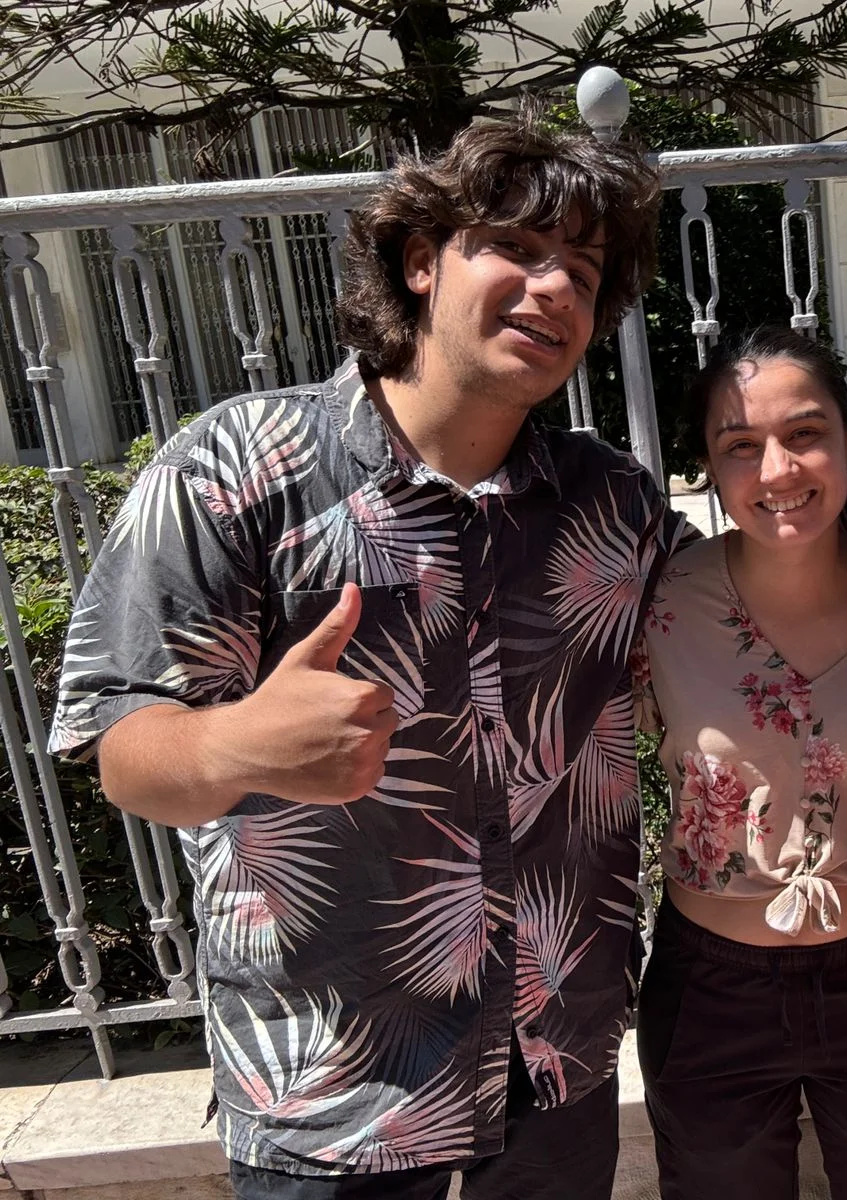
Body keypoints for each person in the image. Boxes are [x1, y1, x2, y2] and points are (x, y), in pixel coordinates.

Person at [49, 114, 686, 1199]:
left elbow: (732, 637)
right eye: (517, 250)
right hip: (336, 1104)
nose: (553, 289)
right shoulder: (240, 468)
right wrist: (235, 742)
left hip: (555, 1080)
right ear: (422, 259)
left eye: (580, 270)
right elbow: (123, 747)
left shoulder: (613, 504)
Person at [634, 326, 847, 1199]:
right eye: (740, 446)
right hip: (712, 992)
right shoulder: (664, 609)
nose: (777, 471)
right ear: (709, 465)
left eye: (805, 433)